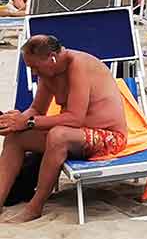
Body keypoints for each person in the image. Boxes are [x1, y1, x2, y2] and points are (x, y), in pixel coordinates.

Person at [0, 35, 129, 222]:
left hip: (109, 137)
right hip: (75, 137)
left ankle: (35, 206)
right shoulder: (49, 72)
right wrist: (15, 120)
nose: (34, 73)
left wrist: (28, 122)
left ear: (52, 57)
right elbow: (37, 109)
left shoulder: (79, 65)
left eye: (35, 67)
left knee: (58, 135)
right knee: (16, 138)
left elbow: (75, 118)